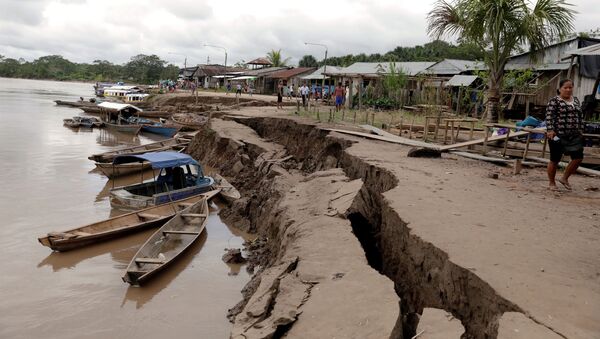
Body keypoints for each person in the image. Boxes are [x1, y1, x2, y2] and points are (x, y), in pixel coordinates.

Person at [545, 79, 584, 191]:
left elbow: (580, 116)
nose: (568, 89)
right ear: (560, 89)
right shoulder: (554, 101)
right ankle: (552, 183)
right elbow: (548, 116)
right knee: (555, 159)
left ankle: (564, 178)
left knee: (578, 158)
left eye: (570, 87)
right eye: (565, 87)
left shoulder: (576, 100)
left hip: (574, 135)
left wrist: (581, 129)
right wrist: (550, 130)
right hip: (558, 135)